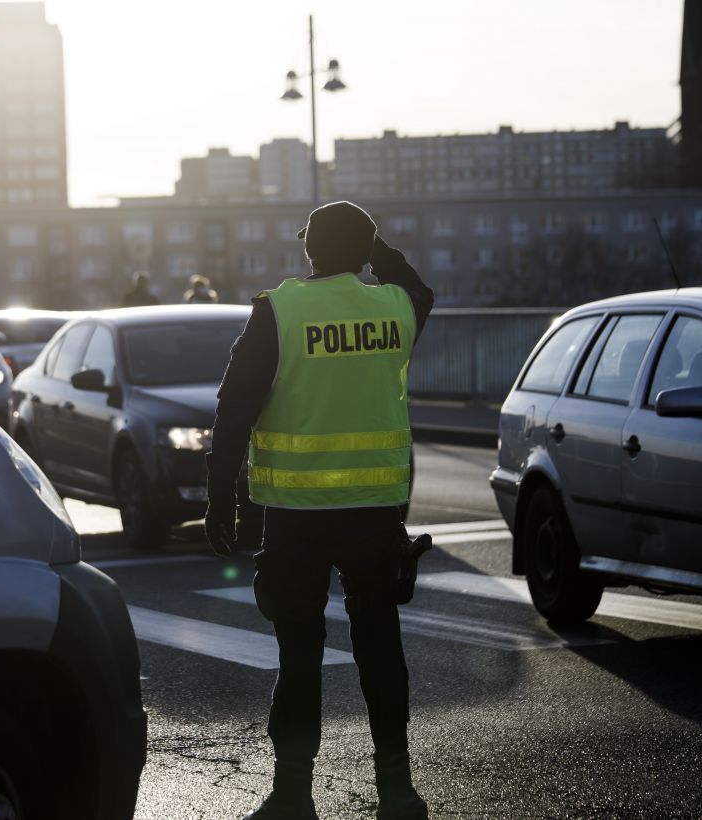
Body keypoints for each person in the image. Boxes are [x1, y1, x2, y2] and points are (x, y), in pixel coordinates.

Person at [204, 201, 435, 820]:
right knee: (381, 647)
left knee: (299, 652)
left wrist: (219, 498)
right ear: (363, 251)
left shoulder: (279, 312)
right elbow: (418, 286)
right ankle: (397, 789)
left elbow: (234, 411)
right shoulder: (395, 307)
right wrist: (374, 247)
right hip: (374, 514)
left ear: (309, 249)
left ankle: (293, 794)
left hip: (296, 514)